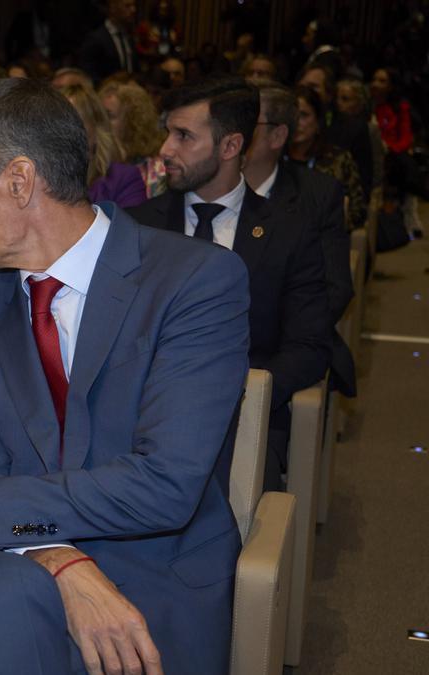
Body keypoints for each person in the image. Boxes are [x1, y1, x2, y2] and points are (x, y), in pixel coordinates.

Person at [0, 77, 249, 675]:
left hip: (155, 565)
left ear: (19, 181)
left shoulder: (194, 282)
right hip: (17, 567)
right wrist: (62, 561)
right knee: (0, 596)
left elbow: (165, 484)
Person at [128, 77, 330, 490]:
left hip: (242, 419)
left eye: (184, 136)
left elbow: (309, 347)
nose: (166, 149)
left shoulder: (289, 232)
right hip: (138, 416)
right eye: (168, 133)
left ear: (230, 147)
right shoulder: (137, 226)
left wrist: (239, 396)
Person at [245, 83, 355, 397]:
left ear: (277, 136)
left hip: (282, 348)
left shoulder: (317, 195)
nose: (232, 131)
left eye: (246, 122)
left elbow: (336, 287)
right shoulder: (208, 188)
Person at [288, 86, 367, 230]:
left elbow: (358, 211)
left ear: (318, 122)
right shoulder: (275, 159)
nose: (297, 122)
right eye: (292, 115)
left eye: (304, 115)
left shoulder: (338, 160)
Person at [63, 84, 147, 208]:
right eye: (57, 123)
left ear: (97, 130)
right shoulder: (37, 179)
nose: (64, 131)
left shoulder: (123, 179)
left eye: (74, 122)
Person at [99, 80, 168, 197]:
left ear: (133, 122)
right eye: (99, 117)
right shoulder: (96, 165)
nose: (101, 124)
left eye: (109, 116)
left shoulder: (156, 170)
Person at [78, 0, 138, 81]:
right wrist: (111, 81)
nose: (133, 10)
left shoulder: (129, 38)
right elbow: (88, 75)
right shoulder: (95, 39)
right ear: (113, 7)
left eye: (134, 5)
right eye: (127, 6)